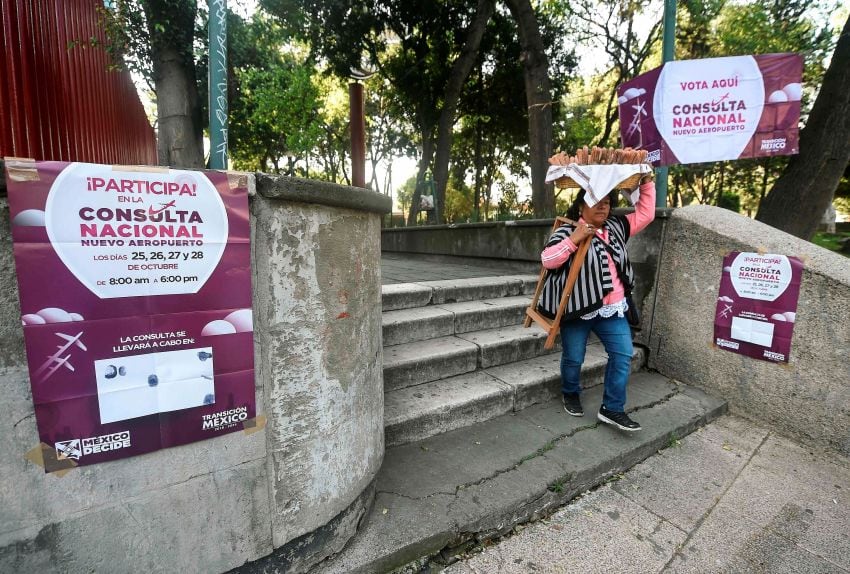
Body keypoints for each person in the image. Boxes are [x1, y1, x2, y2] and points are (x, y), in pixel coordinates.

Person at [538, 174, 655, 431]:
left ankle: (612, 408)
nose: (603, 206)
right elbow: (548, 260)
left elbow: (646, 214)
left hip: (612, 309)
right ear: (581, 206)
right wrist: (574, 239)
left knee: (623, 355)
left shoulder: (616, 227)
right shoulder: (567, 228)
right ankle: (570, 391)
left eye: (607, 201)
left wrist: (646, 183)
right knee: (573, 358)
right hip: (577, 309)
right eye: (595, 200)